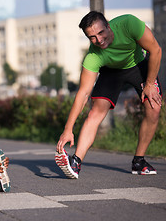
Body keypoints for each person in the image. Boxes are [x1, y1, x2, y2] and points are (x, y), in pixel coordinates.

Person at [55, 11, 162, 179]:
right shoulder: (93, 56)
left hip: (138, 65)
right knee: (95, 112)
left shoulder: (128, 24)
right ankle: (75, 162)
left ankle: (139, 161)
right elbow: (83, 94)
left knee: (154, 107)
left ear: (108, 25)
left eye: (101, 32)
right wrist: (68, 129)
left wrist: (149, 84)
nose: (99, 40)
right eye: (92, 37)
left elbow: (155, 50)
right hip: (111, 73)